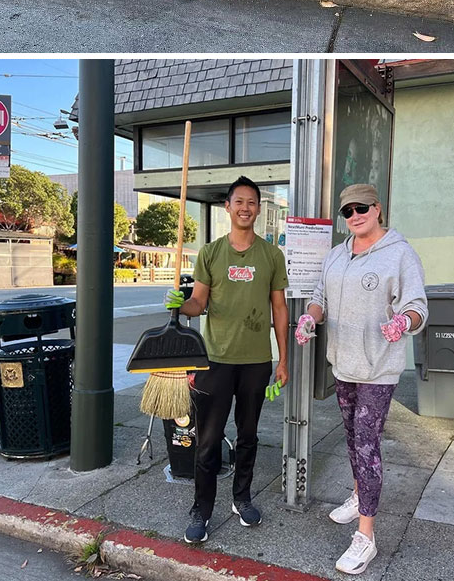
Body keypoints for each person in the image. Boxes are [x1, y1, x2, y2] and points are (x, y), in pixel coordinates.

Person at [295, 184, 427, 576]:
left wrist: (404, 322)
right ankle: (358, 494)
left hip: (378, 369)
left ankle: (366, 536)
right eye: (348, 211)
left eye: (362, 208)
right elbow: (320, 297)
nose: (355, 215)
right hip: (344, 365)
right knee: (353, 437)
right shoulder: (336, 255)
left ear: (377, 209)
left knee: (367, 444)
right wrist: (309, 317)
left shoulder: (400, 254)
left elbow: (417, 306)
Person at [167, 176, 289, 544]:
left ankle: (242, 498)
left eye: (251, 202)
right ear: (228, 207)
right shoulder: (210, 253)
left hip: (256, 362)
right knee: (207, 441)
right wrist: (181, 306)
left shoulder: (271, 255)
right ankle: (201, 510)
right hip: (215, 361)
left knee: (248, 435)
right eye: (239, 201)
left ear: (258, 208)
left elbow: (279, 309)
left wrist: (283, 360)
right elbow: (199, 303)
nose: (245, 208)